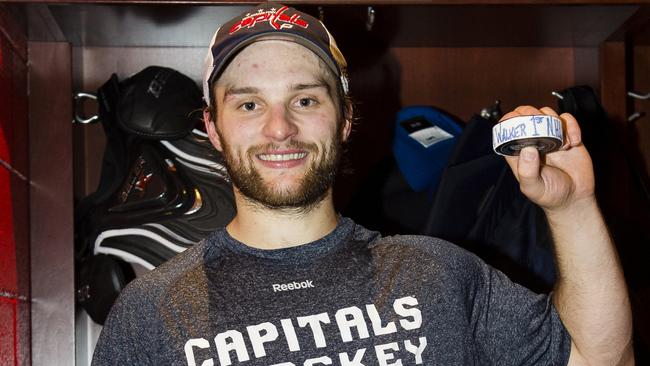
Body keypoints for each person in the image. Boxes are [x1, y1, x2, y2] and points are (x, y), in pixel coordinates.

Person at [91, 3, 633, 365]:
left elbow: (599, 358)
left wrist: (574, 207)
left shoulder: (437, 272)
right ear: (212, 126)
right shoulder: (150, 315)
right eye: (249, 104)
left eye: (306, 99)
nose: (280, 128)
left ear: (345, 118)